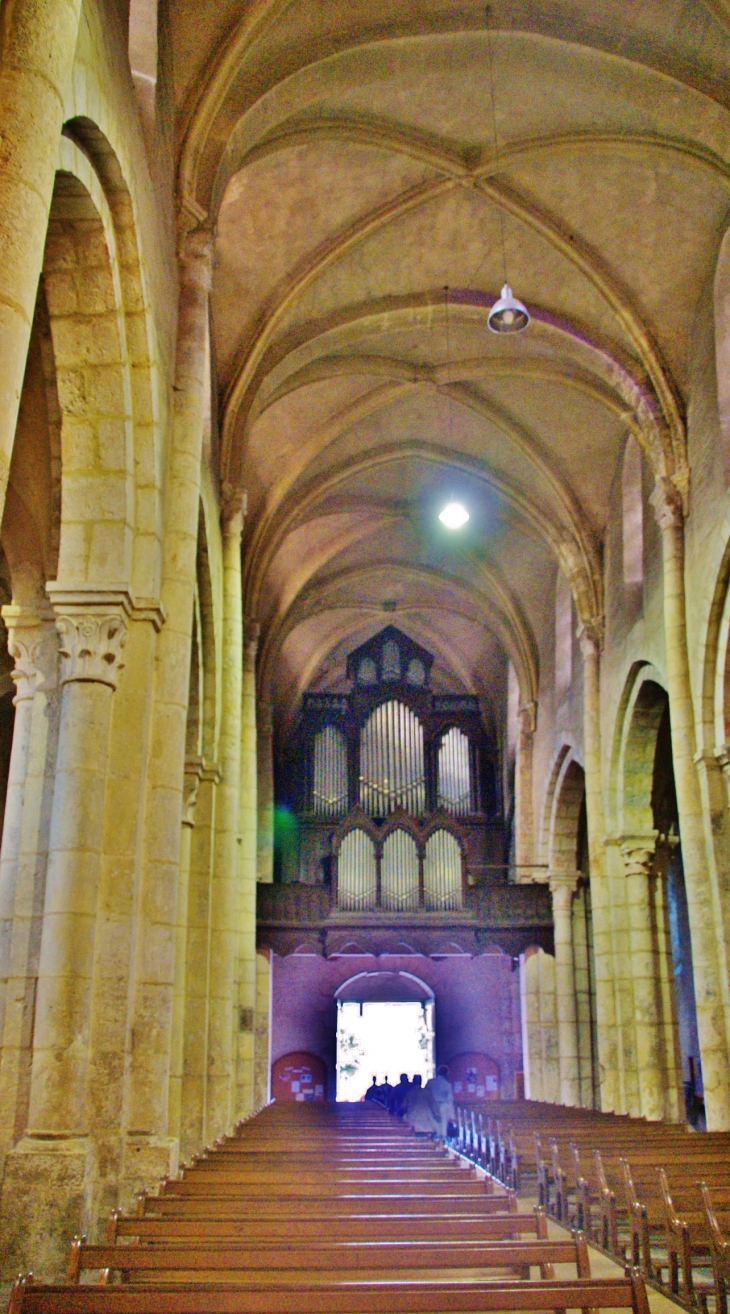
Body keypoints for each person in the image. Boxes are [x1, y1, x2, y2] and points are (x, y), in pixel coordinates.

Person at [425, 1064, 455, 1139]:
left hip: (431, 1106)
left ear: (438, 1072)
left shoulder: (430, 1082)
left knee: (431, 1122)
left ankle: (432, 1138)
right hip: (442, 1105)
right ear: (446, 1074)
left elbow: (425, 1093)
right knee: (443, 1124)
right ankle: (442, 1140)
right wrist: (452, 1116)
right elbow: (449, 1100)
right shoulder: (447, 1084)